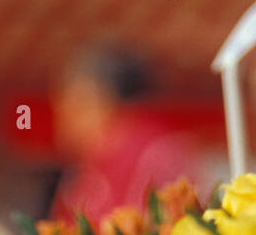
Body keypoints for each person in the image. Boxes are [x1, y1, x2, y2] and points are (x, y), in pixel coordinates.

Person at [50, 47, 207, 224]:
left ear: (104, 103)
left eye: (74, 106)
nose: (62, 117)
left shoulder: (155, 154)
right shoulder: (85, 165)